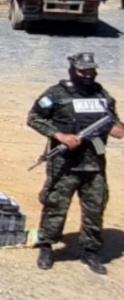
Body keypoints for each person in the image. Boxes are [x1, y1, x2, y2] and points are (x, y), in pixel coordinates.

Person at [29, 53, 122, 275]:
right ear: (73, 70)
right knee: (55, 206)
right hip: (65, 164)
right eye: (83, 71)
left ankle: (91, 250)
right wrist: (59, 135)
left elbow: (113, 119)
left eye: (91, 71)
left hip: (94, 165)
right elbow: (34, 118)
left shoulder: (102, 95)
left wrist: (117, 128)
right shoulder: (56, 94)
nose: (88, 75)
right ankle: (47, 246)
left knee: (95, 208)